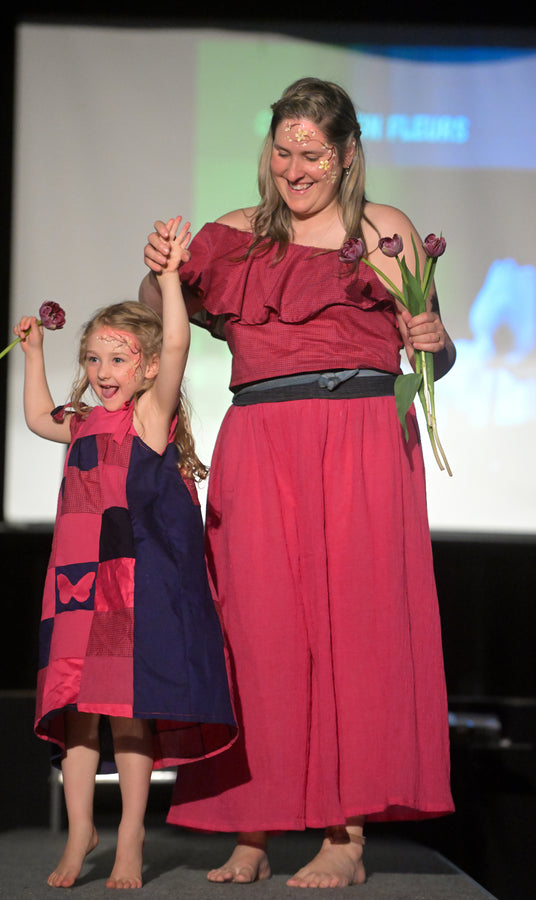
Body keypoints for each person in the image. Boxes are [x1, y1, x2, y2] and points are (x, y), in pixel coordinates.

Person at [140, 78, 456, 889]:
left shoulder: (385, 231)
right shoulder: (235, 234)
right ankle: (253, 828)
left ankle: (345, 838)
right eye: (283, 151)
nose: (294, 167)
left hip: (362, 441)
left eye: (312, 152)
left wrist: (434, 337)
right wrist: (160, 272)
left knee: (354, 629)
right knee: (256, 631)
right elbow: (157, 318)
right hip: (264, 441)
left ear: (347, 155)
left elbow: (436, 350)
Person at [14, 216, 236, 889]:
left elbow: (176, 342)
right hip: (76, 582)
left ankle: (132, 834)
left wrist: (170, 279)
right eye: (93, 360)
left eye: (117, 360)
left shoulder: (148, 416)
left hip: (135, 588)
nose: (103, 373)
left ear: (143, 368)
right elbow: (34, 417)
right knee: (76, 711)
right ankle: (81, 833)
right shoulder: (82, 420)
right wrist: (32, 354)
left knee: (128, 713)